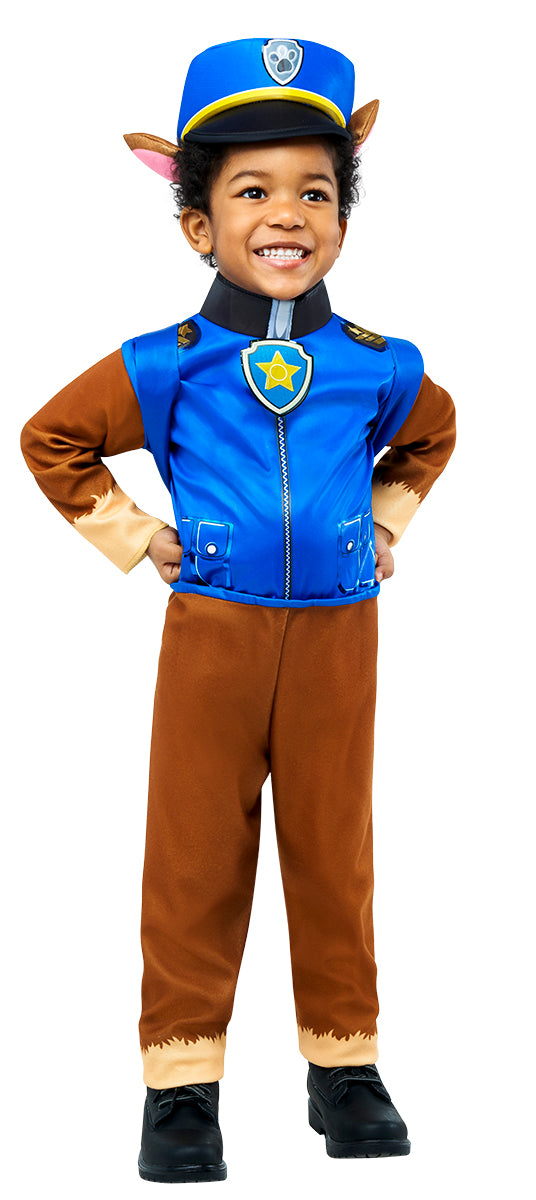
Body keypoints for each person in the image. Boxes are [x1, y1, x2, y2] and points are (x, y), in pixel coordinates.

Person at [21, 37, 456, 1184]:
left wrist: (384, 522)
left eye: (314, 191)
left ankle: (344, 1067)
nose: (286, 216)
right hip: (210, 632)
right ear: (196, 225)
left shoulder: (378, 365)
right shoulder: (167, 364)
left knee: (333, 850)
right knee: (193, 852)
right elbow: (51, 438)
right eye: (251, 191)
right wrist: (135, 537)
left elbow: (432, 433)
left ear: (342, 219)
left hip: (338, 636)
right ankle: (180, 1084)